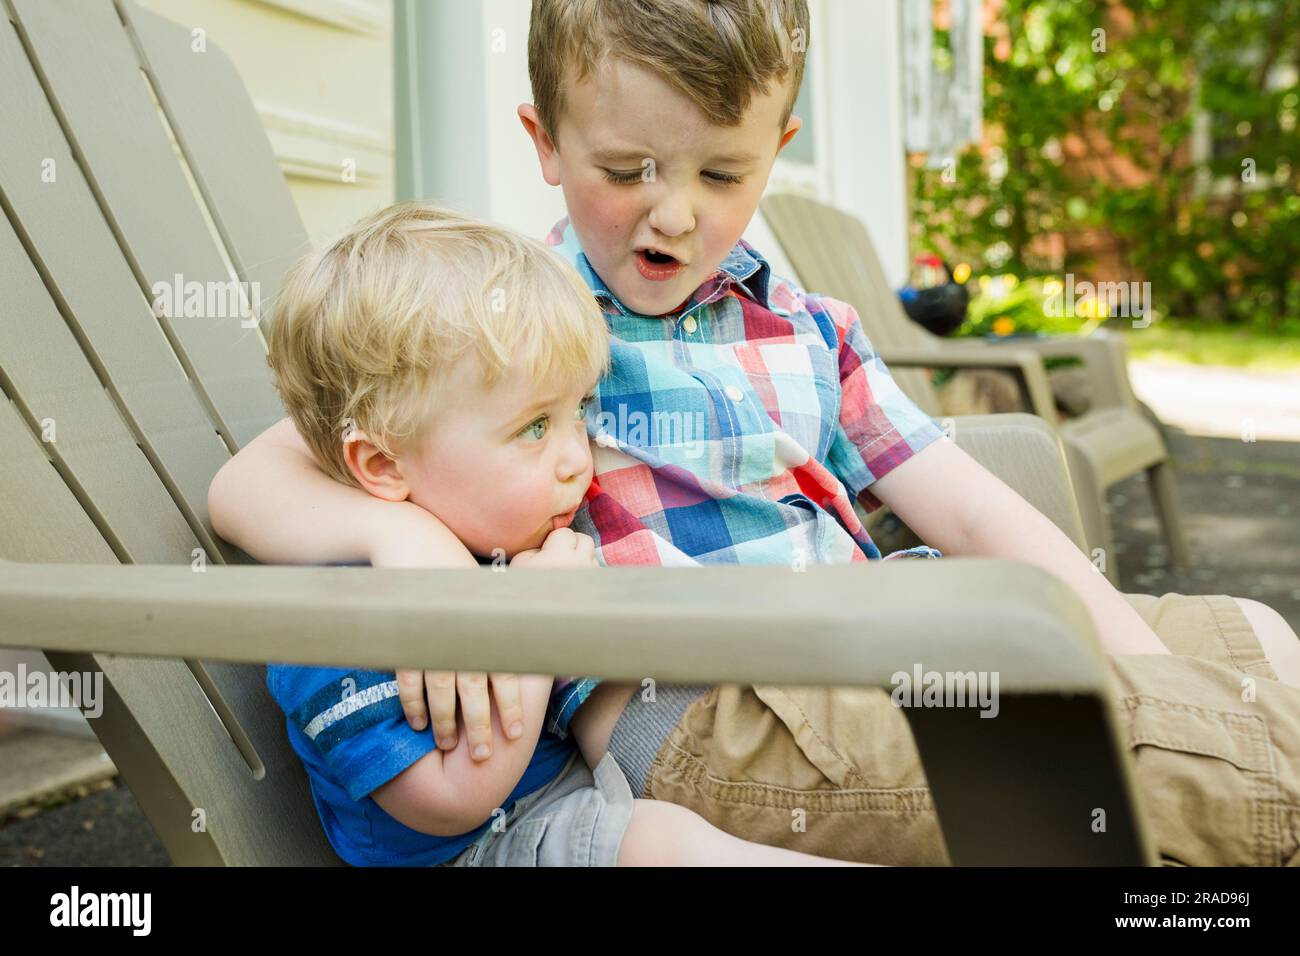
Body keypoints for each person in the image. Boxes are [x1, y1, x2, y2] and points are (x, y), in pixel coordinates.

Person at [213, 0, 1300, 866]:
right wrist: (410, 542)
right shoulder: (508, 325)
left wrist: (1146, 662)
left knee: (1252, 643)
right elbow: (262, 473)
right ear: (545, 142)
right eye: (627, 170)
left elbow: (973, 508)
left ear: (777, 148)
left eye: (721, 173)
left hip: (890, 638)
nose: (674, 213)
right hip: (707, 706)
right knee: (1241, 772)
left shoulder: (810, 327)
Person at [261, 201, 861, 866]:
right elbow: (451, 801)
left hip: (576, 800)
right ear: (382, 464)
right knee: (661, 843)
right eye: (535, 428)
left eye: (578, 410)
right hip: (483, 844)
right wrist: (537, 622)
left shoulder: (491, 536)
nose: (579, 456)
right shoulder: (334, 622)